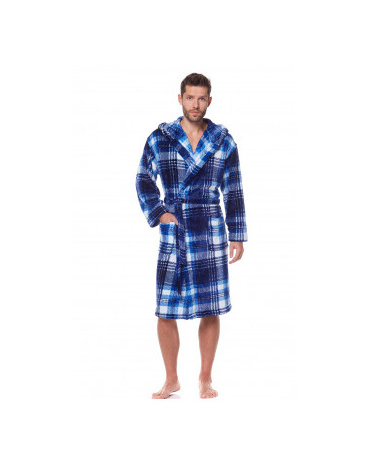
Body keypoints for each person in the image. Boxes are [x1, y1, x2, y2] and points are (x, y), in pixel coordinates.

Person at [135, 73, 248, 399]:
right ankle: (171, 379)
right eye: (189, 98)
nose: (195, 104)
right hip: (175, 229)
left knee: (211, 307)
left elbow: (233, 189)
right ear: (180, 99)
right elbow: (143, 179)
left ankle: (205, 378)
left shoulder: (223, 141)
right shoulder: (160, 138)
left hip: (209, 228)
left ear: (209, 101)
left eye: (201, 98)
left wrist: (237, 233)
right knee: (165, 308)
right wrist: (160, 213)